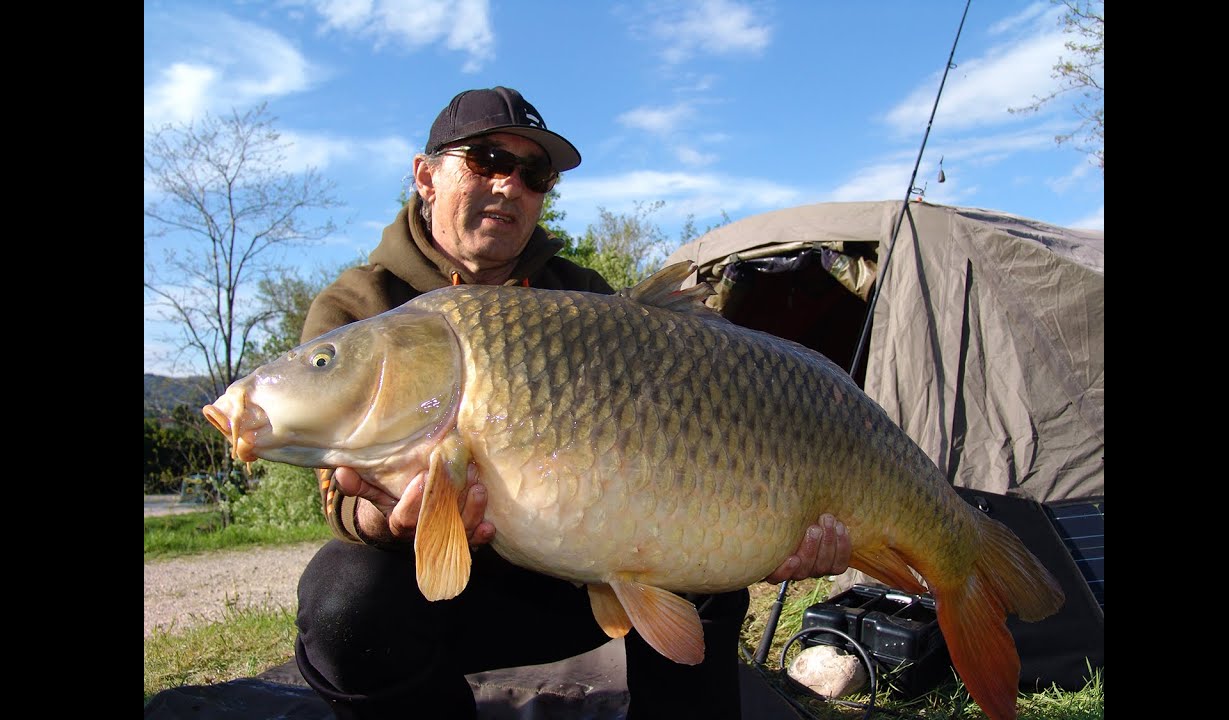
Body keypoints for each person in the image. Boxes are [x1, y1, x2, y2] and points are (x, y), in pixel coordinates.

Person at [293, 86, 852, 720]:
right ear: (426, 175)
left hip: (565, 582)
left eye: (534, 175)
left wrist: (776, 530)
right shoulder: (362, 310)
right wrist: (384, 519)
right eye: (486, 160)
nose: (510, 186)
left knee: (707, 574)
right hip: (438, 595)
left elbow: (671, 444)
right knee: (344, 600)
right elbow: (336, 494)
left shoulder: (582, 298)